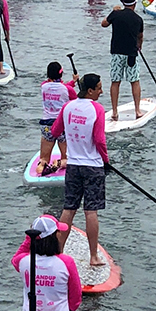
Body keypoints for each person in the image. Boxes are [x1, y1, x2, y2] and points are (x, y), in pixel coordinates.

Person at [51, 74, 109, 270]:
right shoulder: (97, 109)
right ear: (90, 90)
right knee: (90, 211)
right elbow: (100, 140)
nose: (101, 91)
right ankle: (93, 256)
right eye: (99, 88)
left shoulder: (68, 106)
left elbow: (55, 131)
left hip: (73, 166)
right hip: (93, 166)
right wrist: (106, 161)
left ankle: (58, 252)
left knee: (69, 209)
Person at [101, 0, 145, 118]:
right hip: (131, 53)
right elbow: (140, 36)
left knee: (115, 81)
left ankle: (114, 112)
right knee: (134, 81)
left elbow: (104, 24)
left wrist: (112, 11)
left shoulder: (116, 14)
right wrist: (139, 45)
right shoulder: (138, 19)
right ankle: (137, 111)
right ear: (135, 4)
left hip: (116, 53)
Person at [36, 63, 75, 175]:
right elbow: (74, 100)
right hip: (62, 125)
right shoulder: (68, 89)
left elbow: (55, 86)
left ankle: (41, 166)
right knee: (66, 157)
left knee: (43, 158)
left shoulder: (43, 86)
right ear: (61, 73)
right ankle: (59, 163)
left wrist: (72, 83)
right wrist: (73, 82)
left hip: (46, 124)